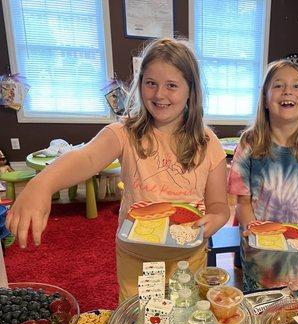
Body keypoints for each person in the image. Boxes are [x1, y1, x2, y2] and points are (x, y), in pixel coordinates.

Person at [6, 38, 229, 300]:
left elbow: (219, 207)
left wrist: (216, 219)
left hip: (187, 258)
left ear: (190, 90)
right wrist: (41, 183)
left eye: (172, 85)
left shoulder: (208, 143)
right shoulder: (123, 133)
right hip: (137, 255)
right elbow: (86, 158)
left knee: (184, 320)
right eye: (151, 83)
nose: (159, 94)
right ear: (140, 83)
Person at [228, 59, 298, 292]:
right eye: (278, 85)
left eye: (297, 86)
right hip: (260, 259)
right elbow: (243, 201)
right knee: (260, 314)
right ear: (266, 100)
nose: (288, 90)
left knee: (294, 317)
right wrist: (252, 232)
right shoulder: (250, 143)